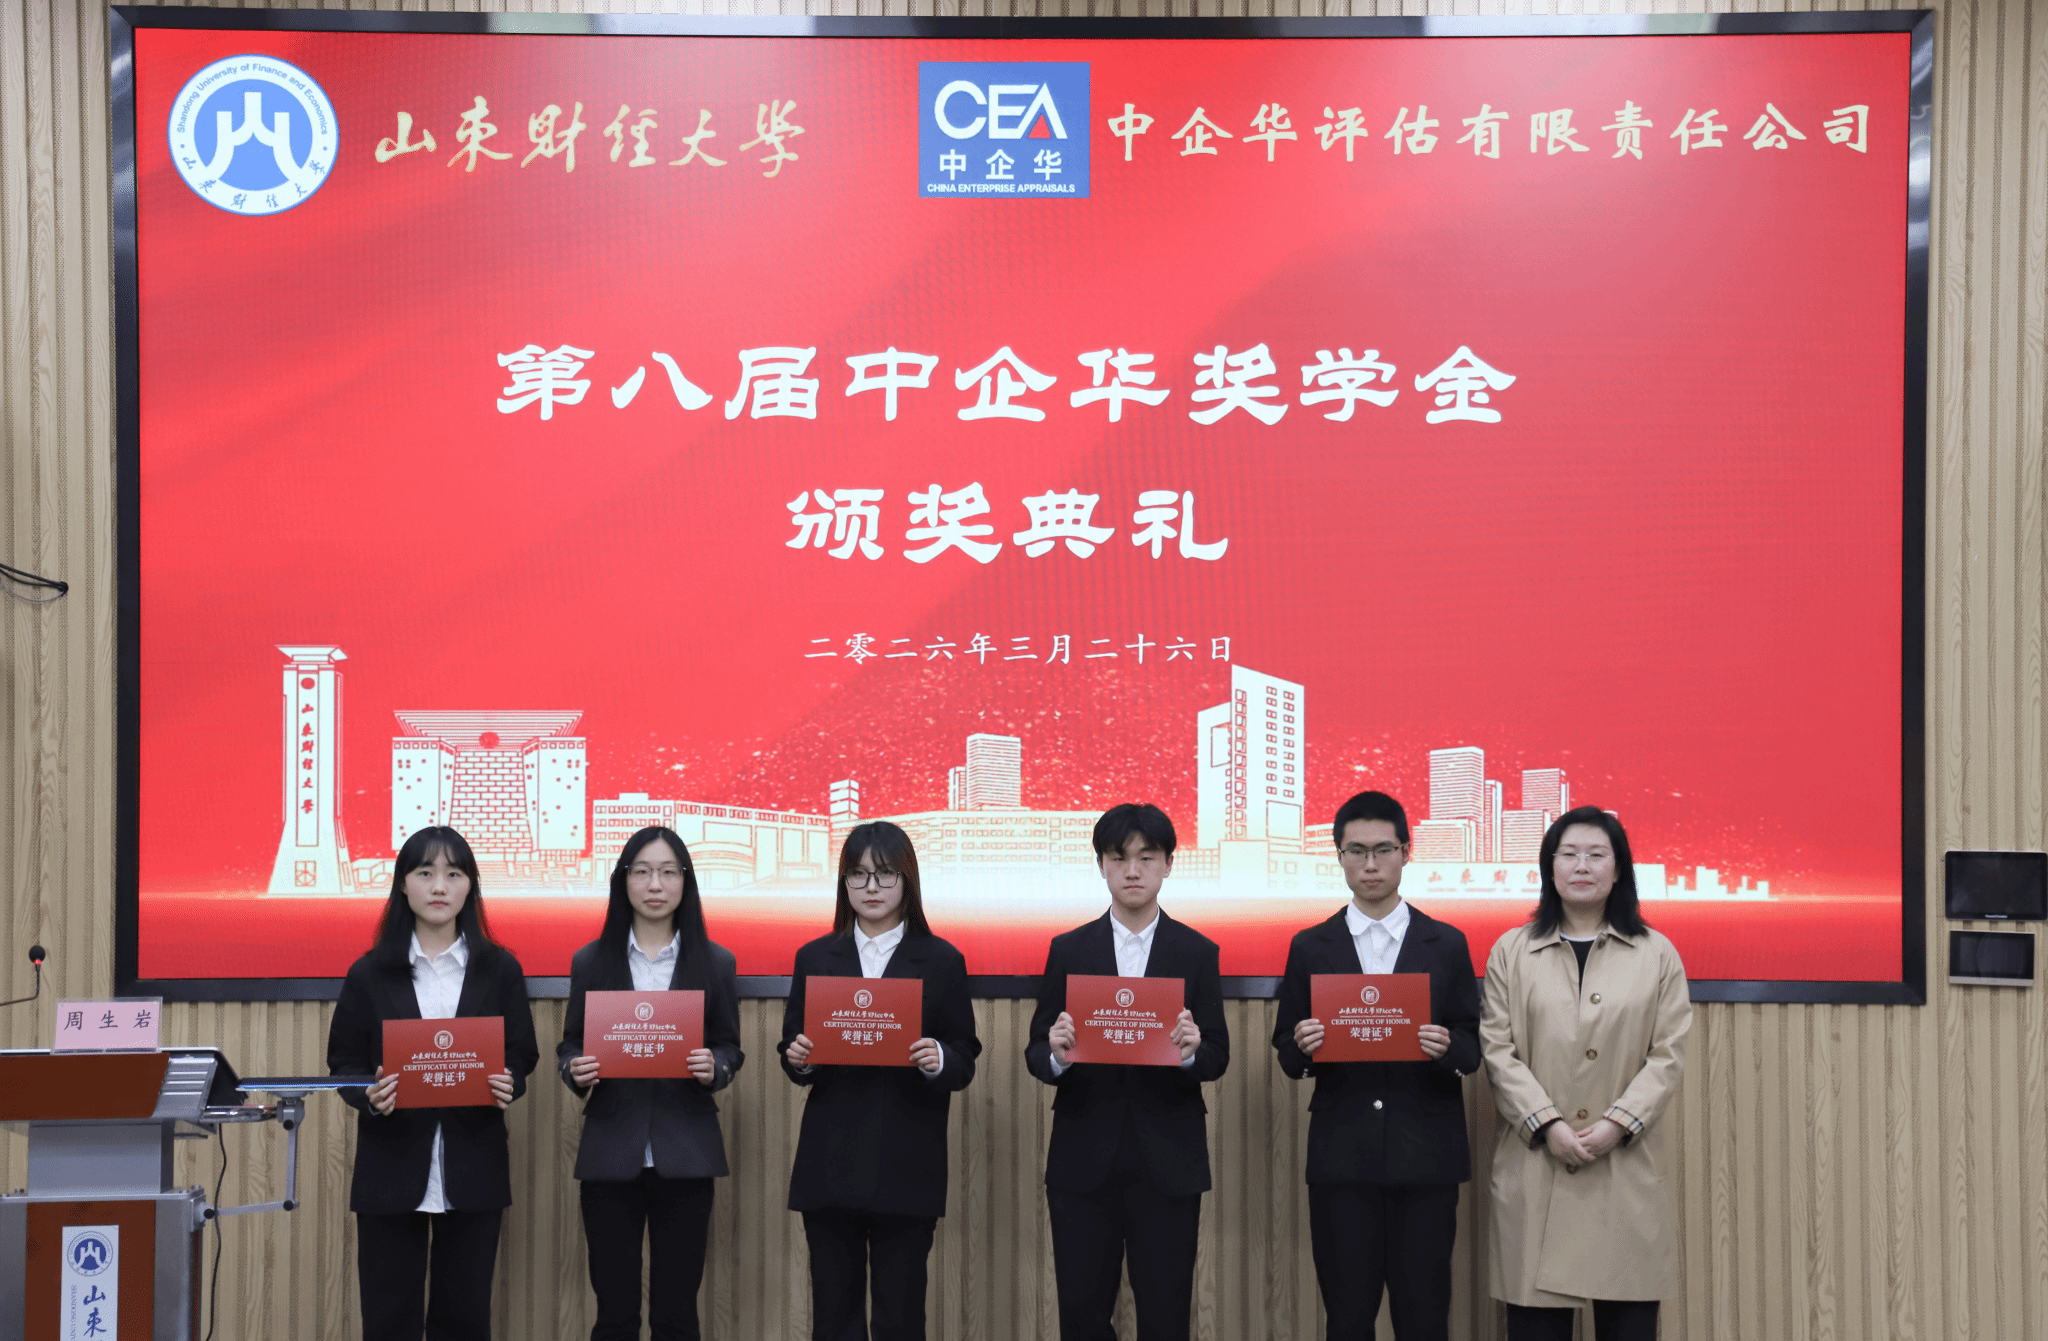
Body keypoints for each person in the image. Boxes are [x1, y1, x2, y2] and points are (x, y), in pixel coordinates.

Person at [1272, 790, 1482, 1341]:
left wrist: (1447, 1046)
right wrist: (1302, 1044)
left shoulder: (1446, 944)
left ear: (1406, 853)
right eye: (1356, 851)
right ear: (1339, 856)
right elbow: (1287, 1052)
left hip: (1426, 1157)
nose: (1370, 864)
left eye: (1383, 850)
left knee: (1425, 1318)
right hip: (1343, 1160)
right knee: (1346, 1319)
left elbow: (1472, 1046)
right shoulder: (1310, 946)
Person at [1481, 806, 1692, 1341]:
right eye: (1569, 854)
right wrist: (1547, 1124)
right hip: (1537, 1164)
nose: (1582, 866)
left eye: (1597, 855)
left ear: (1619, 870)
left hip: (1623, 1168)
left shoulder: (1656, 953)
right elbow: (1498, 1050)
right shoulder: (1512, 951)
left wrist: (1617, 1124)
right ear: (1549, 867)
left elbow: (1668, 1054)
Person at [1025, 803, 1229, 1341]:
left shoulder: (1196, 951)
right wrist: (1056, 1054)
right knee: (1082, 1314)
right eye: (1118, 858)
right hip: (1082, 1158)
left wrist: (1192, 1050)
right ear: (1101, 865)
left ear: (1168, 865)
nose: (1132, 870)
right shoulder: (1069, 949)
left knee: (1166, 1314)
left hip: (1168, 1160)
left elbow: (1218, 1055)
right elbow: (1036, 1052)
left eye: (1147, 857)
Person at [326, 826, 539, 1341]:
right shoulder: (369, 973)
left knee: (465, 1319)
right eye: (425, 873)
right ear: (403, 884)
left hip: (474, 1163)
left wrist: (510, 1081)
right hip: (390, 1167)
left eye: (454, 874)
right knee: (388, 1320)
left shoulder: (500, 969)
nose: (439, 886)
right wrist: (368, 1094)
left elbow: (522, 1053)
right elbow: (344, 1064)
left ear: (470, 886)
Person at [779, 821, 980, 1341]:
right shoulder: (814, 957)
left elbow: (964, 1056)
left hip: (907, 1162)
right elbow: (792, 1051)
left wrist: (938, 1056)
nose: (871, 887)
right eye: (858, 875)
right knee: (833, 1318)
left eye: (885, 874)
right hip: (830, 1160)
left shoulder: (942, 960)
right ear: (843, 882)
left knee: (900, 1318)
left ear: (907, 881)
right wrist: (799, 1058)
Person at [559, 827, 744, 1341]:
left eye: (667, 872)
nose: (655, 885)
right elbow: (570, 1044)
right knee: (614, 1313)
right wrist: (574, 1068)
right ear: (623, 881)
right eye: (641, 872)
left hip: (686, 1150)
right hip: (610, 1150)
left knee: (677, 1313)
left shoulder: (716, 961)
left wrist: (715, 1065)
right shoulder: (592, 960)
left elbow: (729, 1045)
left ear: (685, 881)